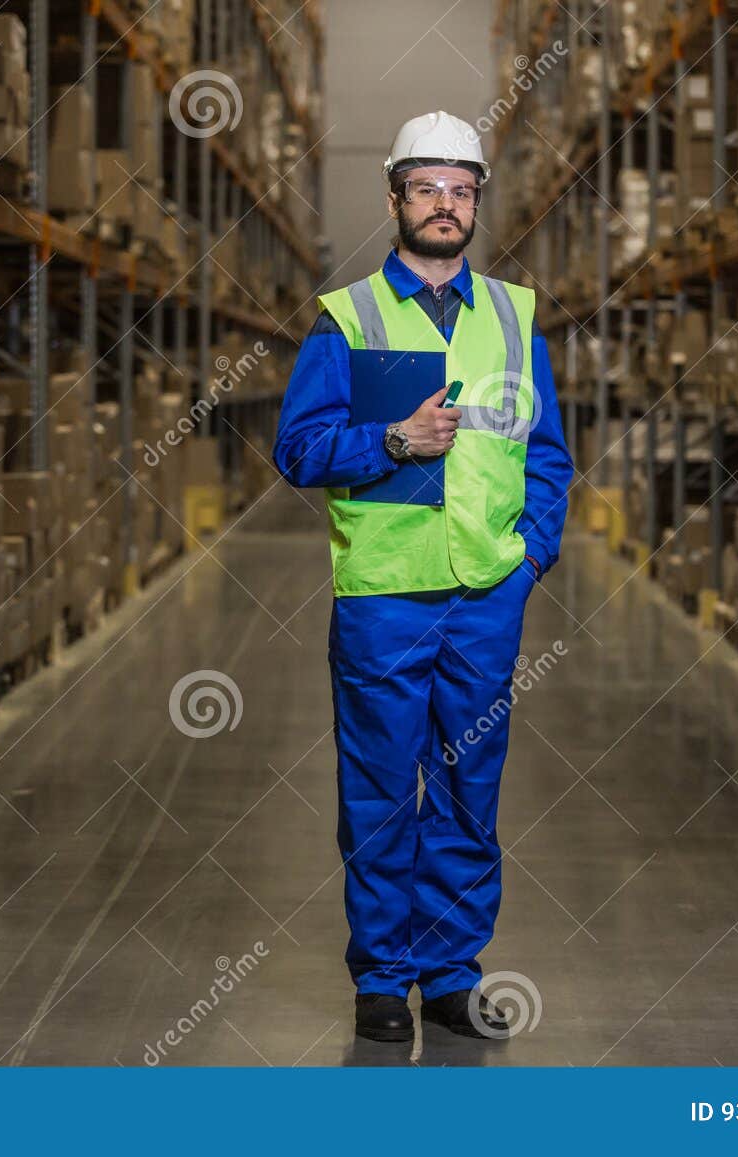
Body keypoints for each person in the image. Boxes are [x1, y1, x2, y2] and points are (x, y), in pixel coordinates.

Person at [273, 111, 574, 1043]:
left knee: (466, 786)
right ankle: (381, 975)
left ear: (477, 199)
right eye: (427, 188)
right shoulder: (348, 318)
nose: (445, 205)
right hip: (385, 595)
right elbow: (297, 448)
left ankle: (449, 970)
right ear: (396, 197)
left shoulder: (515, 316)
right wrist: (393, 440)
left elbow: (548, 454)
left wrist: (532, 557)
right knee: (378, 787)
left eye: (460, 188)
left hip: (487, 592)